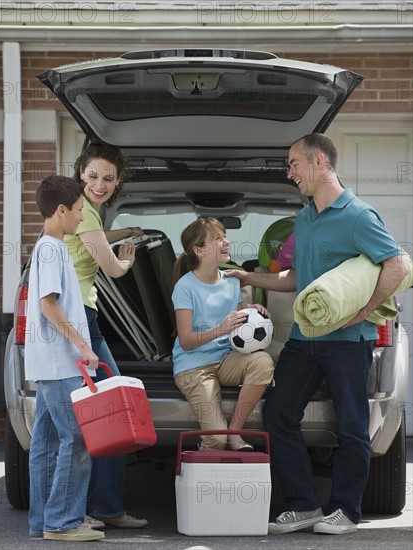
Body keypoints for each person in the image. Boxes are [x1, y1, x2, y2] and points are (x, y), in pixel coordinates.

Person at [225, 133, 409, 535]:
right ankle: (304, 503)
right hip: (305, 339)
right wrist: (246, 275)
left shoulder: (359, 216)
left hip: (349, 341)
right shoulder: (305, 218)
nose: (289, 173)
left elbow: (395, 267)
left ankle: (345, 510)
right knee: (279, 412)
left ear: (320, 162)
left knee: (351, 426)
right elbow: (295, 278)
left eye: (294, 164)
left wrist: (360, 313)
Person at [64, 143, 147, 529]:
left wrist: (126, 229)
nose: (100, 184)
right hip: (79, 319)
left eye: (109, 178)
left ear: (118, 181)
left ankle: (98, 506)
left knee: (95, 412)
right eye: (93, 176)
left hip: (80, 316)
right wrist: (128, 257)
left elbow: (94, 235)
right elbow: (113, 269)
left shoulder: (82, 210)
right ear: (81, 171)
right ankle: (99, 508)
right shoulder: (86, 213)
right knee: (112, 410)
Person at [25, 175, 104, 542]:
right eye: (77, 212)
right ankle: (63, 523)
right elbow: (48, 304)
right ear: (61, 210)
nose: (80, 219)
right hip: (60, 363)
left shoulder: (45, 246)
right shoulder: (53, 249)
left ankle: (44, 520)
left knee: (46, 444)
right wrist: (84, 347)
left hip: (48, 365)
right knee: (78, 437)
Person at [171, 217, 274, 451]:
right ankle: (204, 478)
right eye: (217, 239)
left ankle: (236, 432)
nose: (226, 242)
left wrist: (250, 313)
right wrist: (220, 329)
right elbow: (186, 341)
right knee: (215, 439)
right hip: (194, 367)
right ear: (199, 250)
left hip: (226, 360)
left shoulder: (231, 282)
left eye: (225, 236)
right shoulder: (185, 287)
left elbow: (236, 323)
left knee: (262, 362)